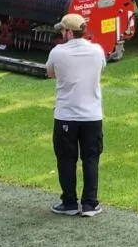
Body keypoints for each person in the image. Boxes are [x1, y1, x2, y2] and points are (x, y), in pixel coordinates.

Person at [46, 13, 107, 218]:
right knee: (91, 159)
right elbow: (102, 69)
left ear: (69, 32)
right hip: (92, 116)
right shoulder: (97, 51)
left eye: (63, 30)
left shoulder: (57, 52)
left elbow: (50, 73)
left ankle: (69, 202)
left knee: (66, 160)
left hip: (66, 116)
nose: (61, 33)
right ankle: (90, 204)